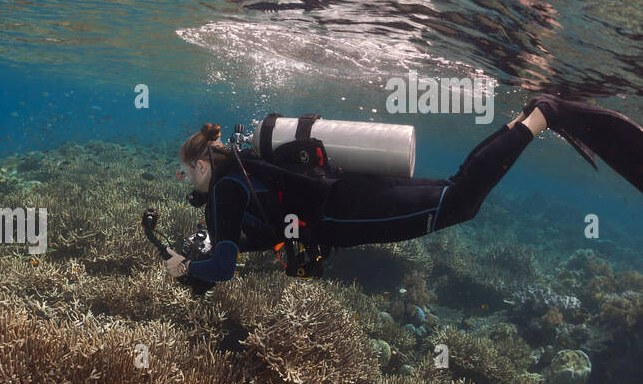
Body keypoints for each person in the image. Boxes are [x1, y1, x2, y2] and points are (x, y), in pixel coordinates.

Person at [166, 94, 643, 284]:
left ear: (203, 161)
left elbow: (223, 270)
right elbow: (260, 234)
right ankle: (523, 122)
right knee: (456, 200)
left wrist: (183, 266)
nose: (188, 180)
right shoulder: (238, 180)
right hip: (342, 202)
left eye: (189, 170)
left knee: (457, 202)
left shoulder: (226, 190)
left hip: (345, 210)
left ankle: (542, 116)